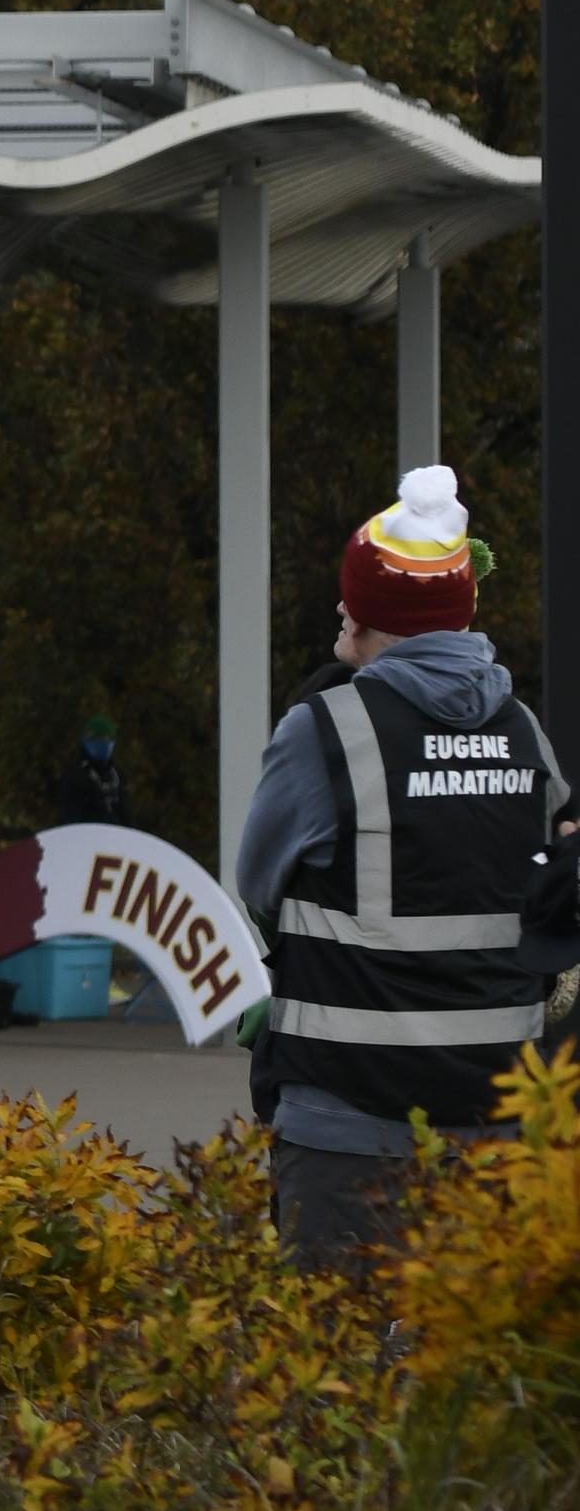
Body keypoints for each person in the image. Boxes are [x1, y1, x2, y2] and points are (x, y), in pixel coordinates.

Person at [238, 468, 577, 1267]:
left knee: (338, 1341)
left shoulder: (324, 730)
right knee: (472, 1347)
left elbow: (259, 886)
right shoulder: (523, 731)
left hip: (346, 1125)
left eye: (351, 596)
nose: (340, 609)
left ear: (372, 616)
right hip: (498, 1123)